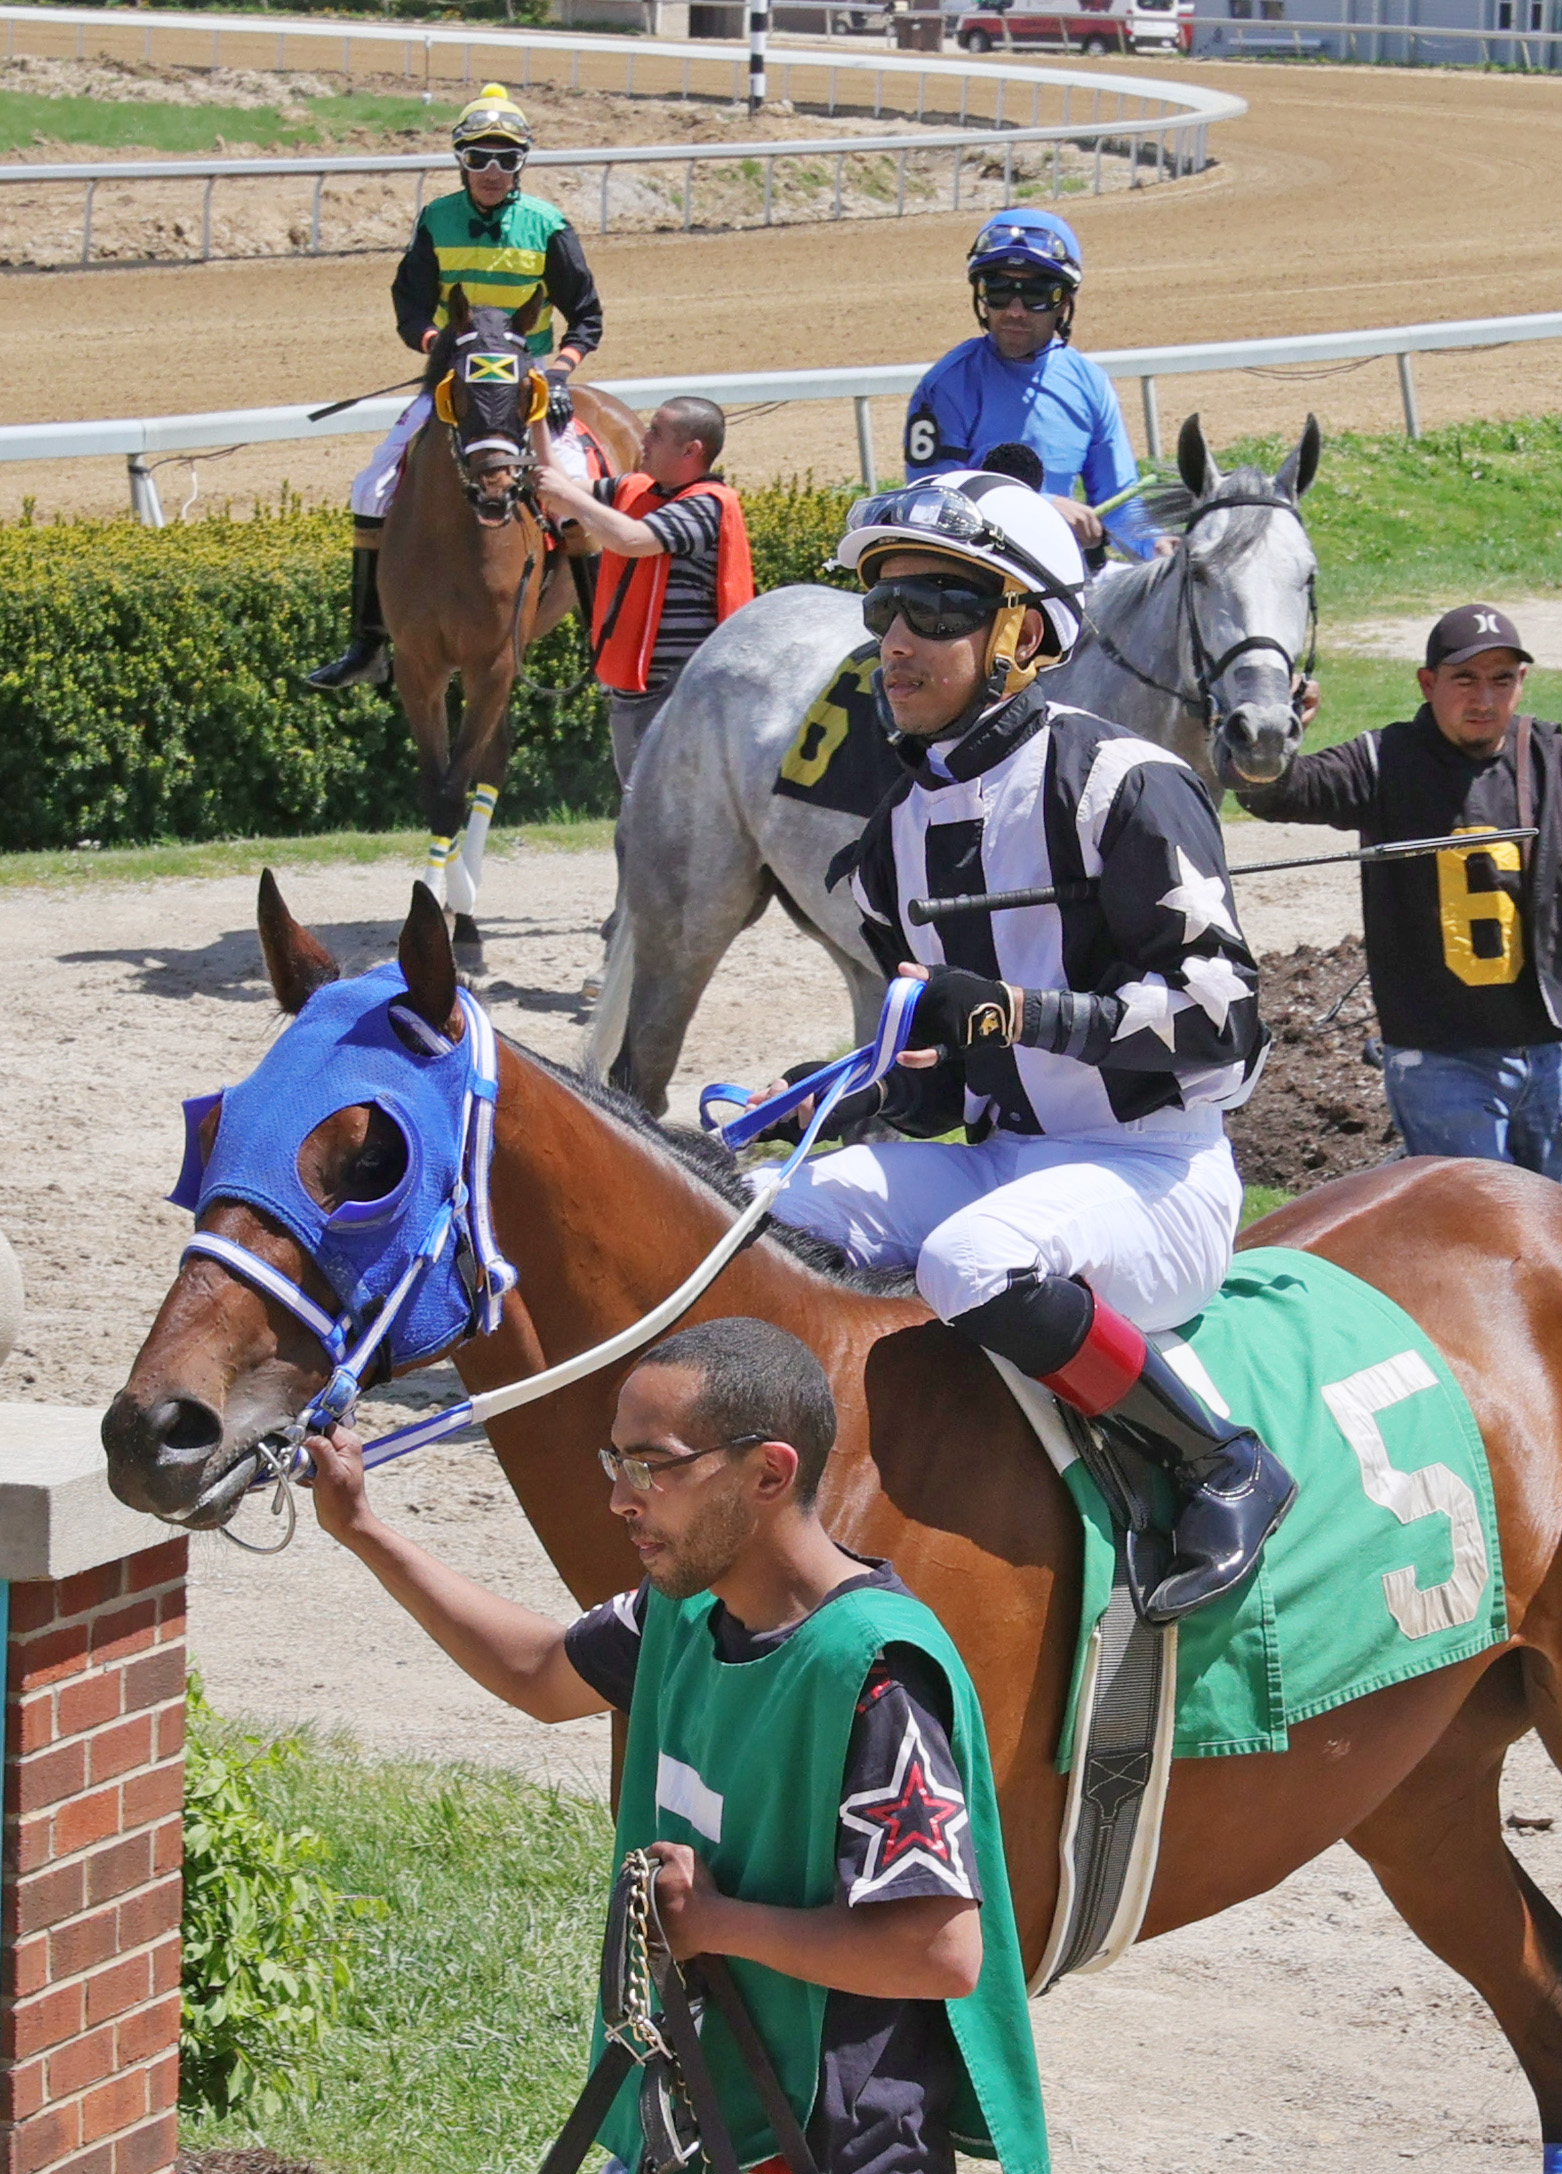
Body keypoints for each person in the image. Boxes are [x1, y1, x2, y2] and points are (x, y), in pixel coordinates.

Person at [303, 1314, 1047, 2174]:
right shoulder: (674, 1623)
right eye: (614, 1457)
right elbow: (535, 1672)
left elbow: (938, 1945)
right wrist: (365, 1535)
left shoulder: (875, 1673)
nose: (617, 1494)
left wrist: (720, 1926)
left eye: (651, 1462)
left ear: (768, 1474)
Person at [756, 469, 1294, 1626]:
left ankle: (1220, 1463)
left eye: (938, 609)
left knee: (967, 1263)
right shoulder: (897, 834)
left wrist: (1012, 1013)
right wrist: (847, 1095)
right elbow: (940, 1078)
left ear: (1024, 633)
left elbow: (1227, 1026)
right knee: (760, 1208)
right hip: (1002, 1159)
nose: (896, 639)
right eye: (881, 608)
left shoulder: (1127, 784)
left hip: (1155, 1175)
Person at [1246, 604, 1562, 1191]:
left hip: (1546, 1051)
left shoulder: (1557, 761)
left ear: (1522, 684)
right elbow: (1274, 795)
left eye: (1501, 680)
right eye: (1465, 680)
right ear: (1428, 684)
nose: (1484, 699)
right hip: (1440, 1058)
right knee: (1475, 1236)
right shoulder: (1384, 761)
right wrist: (1275, 734)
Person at [305, 84, 606, 693]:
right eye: (478, 158)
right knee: (371, 486)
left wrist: (559, 370)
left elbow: (588, 317)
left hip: (527, 387)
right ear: (460, 161)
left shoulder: (548, 224)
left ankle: (603, 636)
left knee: (571, 487)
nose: (491, 172)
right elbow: (411, 307)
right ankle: (368, 641)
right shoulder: (435, 219)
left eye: (504, 159)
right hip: (455, 384)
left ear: (521, 163)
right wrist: (440, 348)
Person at [903, 209, 1159, 561]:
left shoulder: (1089, 383)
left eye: (1037, 293)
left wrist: (1155, 546)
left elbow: (1120, 503)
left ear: (1063, 303)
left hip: (1060, 573)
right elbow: (932, 501)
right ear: (981, 297)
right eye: (998, 291)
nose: (1015, 311)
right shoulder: (944, 386)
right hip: (972, 574)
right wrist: (1045, 507)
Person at [536, 394, 756, 794]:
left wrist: (568, 499)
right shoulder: (634, 488)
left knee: (674, 811)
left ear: (691, 450)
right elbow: (557, 486)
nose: (644, 440)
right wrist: (537, 421)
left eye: (656, 432)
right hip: (635, 692)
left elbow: (631, 539)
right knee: (641, 810)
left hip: (686, 693)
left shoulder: (707, 503)